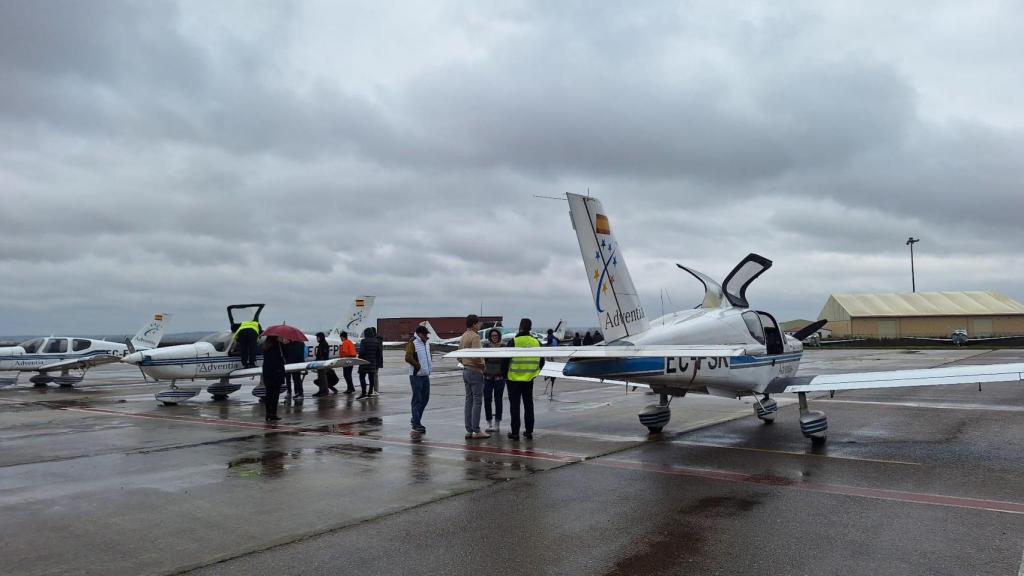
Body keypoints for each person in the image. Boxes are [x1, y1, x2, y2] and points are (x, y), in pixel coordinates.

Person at [505, 318, 544, 441]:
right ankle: (529, 431)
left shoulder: (513, 341)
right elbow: (541, 361)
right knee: (528, 405)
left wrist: (505, 375)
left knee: (515, 407)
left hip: (513, 379)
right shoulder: (536, 342)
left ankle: (515, 433)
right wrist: (533, 372)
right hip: (529, 379)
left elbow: (505, 361)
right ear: (530, 328)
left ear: (520, 327)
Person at [459, 314, 488, 439]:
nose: (479, 325)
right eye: (478, 323)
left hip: (465, 370)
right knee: (477, 401)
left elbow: (459, 354)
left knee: (468, 401)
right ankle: (476, 429)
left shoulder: (463, 336)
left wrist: (464, 362)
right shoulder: (475, 336)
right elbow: (477, 355)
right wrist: (482, 365)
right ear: (474, 324)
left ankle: (469, 429)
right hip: (475, 371)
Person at [405, 325, 432, 436]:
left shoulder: (426, 343)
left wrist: (429, 365)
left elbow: (428, 355)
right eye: (425, 334)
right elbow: (408, 357)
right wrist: (418, 366)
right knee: (417, 399)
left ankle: (415, 420)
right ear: (420, 334)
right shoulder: (413, 342)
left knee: (425, 398)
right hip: (416, 376)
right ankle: (416, 423)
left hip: (425, 375)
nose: (427, 336)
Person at [482, 328, 506, 432]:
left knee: (498, 400)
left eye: (496, 336)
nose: (494, 337)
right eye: (492, 336)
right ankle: (489, 422)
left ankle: (497, 422)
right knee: (487, 399)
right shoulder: (486, 346)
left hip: (499, 377)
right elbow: (483, 359)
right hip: (487, 377)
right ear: (490, 337)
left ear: (499, 336)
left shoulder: (503, 346)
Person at [261, 335, 286, 423]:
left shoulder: (265, 346)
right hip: (276, 373)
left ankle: (268, 414)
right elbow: (279, 360)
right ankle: (273, 414)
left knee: (268, 394)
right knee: (275, 395)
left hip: (267, 373)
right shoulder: (277, 346)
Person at [357, 326, 383, 399]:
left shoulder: (363, 341)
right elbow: (379, 353)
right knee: (371, 378)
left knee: (362, 377)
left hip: (364, 362)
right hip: (373, 362)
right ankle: (370, 392)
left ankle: (363, 393)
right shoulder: (377, 341)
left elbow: (362, 352)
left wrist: (359, 358)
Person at [312, 332, 337, 397]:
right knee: (320, 378)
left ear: (321, 337)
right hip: (319, 364)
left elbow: (324, 355)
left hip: (322, 364)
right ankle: (321, 390)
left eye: (318, 337)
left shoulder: (324, 344)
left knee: (323, 378)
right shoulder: (321, 344)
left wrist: (321, 361)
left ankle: (325, 391)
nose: (317, 339)